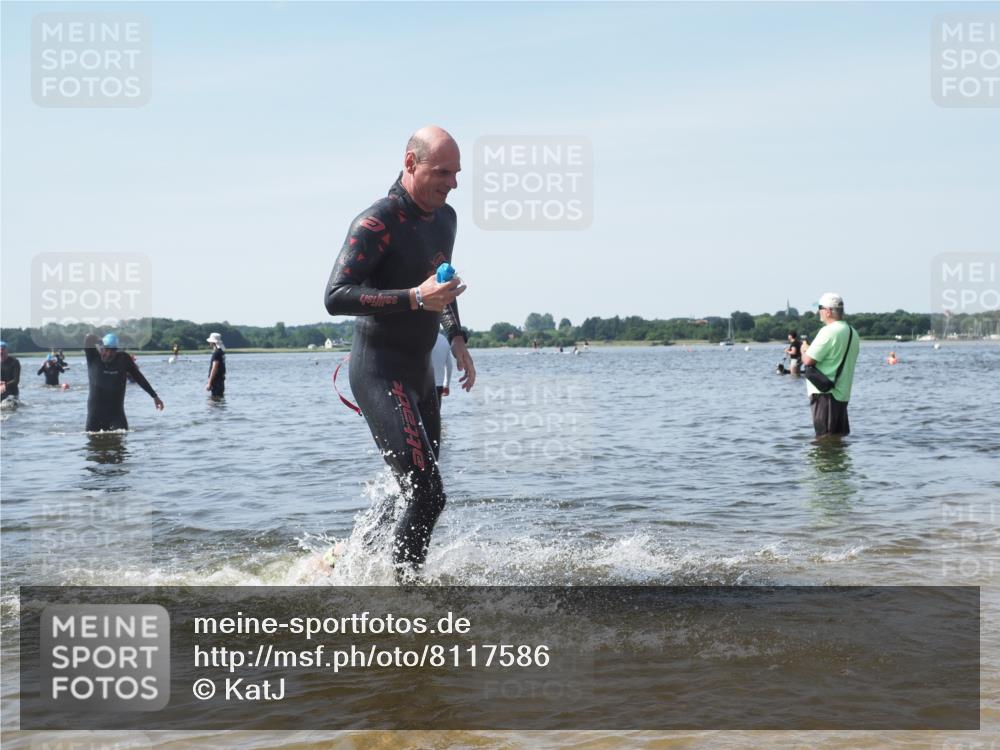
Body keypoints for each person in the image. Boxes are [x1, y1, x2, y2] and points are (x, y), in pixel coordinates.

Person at [324, 125, 475, 578]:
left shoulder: (445, 219)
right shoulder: (376, 223)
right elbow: (336, 297)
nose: (452, 184)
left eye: (456, 174)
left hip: (420, 375)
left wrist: (457, 337)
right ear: (411, 163)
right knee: (428, 493)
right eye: (442, 172)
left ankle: (347, 560)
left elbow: (439, 285)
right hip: (379, 372)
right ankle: (405, 594)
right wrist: (412, 298)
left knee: (413, 487)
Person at [800, 293, 860, 438]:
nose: (818, 312)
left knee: (824, 440)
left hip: (825, 395)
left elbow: (808, 361)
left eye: (820, 308)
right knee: (839, 440)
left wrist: (804, 350)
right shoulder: (853, 332)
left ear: (828, 311)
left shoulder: (828, 331)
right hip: (842, 394)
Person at [84, 332, 164, 431]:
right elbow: (88, 338)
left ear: (117, 351)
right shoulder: (93, 357)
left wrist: (154, 396)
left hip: (116, 416)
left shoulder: (123, 359)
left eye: (112, 351)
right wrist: (101, 340)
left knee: (122, 440)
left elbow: (138, 377)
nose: (108, 354)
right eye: (106, 349)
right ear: (101, 348)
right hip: (95, 417)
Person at [430, 333, 453, 407]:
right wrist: (446, 385)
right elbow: (449, 366)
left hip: (419, 386)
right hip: (438, 386)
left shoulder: (419, 337)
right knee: (435, 416)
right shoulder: (444, 340)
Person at [205, 332, 226, 397]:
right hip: (221, 380)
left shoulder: (216, 353)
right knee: (219, 400)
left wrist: (209, 383)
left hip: (216, 381)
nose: (209, 343)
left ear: (212, 342)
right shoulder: (221, 352)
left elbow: (214, 368)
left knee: (214, 402)